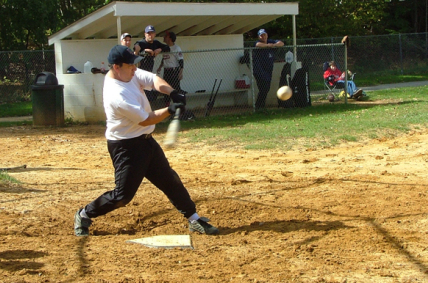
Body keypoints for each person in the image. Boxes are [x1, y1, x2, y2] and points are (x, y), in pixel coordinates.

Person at [74, 45, 219, 237]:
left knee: (169, 180)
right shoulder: (116, 94)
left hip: (146, 141)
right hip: (126, 147)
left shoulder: (128, 73)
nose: (135, 68)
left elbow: (152, 79)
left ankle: (194, 218)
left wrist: (172, 93)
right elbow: (146, 119)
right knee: (123, 196)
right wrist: (169, 110)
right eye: (130, 65)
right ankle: (84, 214)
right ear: (117, 67)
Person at [252, 29, 284, 110]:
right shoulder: (258, 43)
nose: (263, 37)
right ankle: (258, 107)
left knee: (266, 89)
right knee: (264, 88)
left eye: (264, 35)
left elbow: (281, 43)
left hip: (268, 70)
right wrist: (269, 45)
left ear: (267, 35)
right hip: (259, 70)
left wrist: (274, 44)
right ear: (259, 36)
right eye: (261, 35)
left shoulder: (270, 41)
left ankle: (260, 107)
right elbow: (258, 45)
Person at [157, 31, 184, 105]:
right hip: (166, 70)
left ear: (170, 38)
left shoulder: (176, 48)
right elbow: (164, 58)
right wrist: (160, 67)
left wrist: (180, 73)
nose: (164, 37)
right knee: (165, 88)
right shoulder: (165, 47)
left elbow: (181, 60)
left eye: (166, 36)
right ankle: (167, 107)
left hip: (174, 70)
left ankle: (179, 105)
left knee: (175, 89)